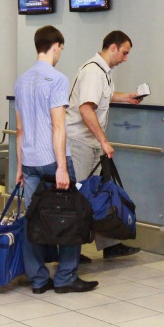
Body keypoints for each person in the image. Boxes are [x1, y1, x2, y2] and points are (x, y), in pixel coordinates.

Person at [15, 25, 98, 294]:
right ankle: (65, 277)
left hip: (29, 161)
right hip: (53, 160)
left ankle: (38, 279)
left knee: (34, 218)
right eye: (61, 48)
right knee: (69, 216)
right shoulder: (58, 79)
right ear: (56, 46)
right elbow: (58, 126)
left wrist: (19, 166)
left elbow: (20, 130)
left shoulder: (21, 80)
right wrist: (62, 166)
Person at [66, 30, 143, 260]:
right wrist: (104, 141)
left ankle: (110, 244)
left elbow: (102, 97)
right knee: (80, 198)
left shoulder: (103, 72)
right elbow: (86, 108)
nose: (125, 58)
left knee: (99, 194)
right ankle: (71, 251)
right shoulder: (93, 71)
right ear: (113, 47)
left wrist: (126, 97)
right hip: (80, 143)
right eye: (124, 53)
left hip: (91, 143)